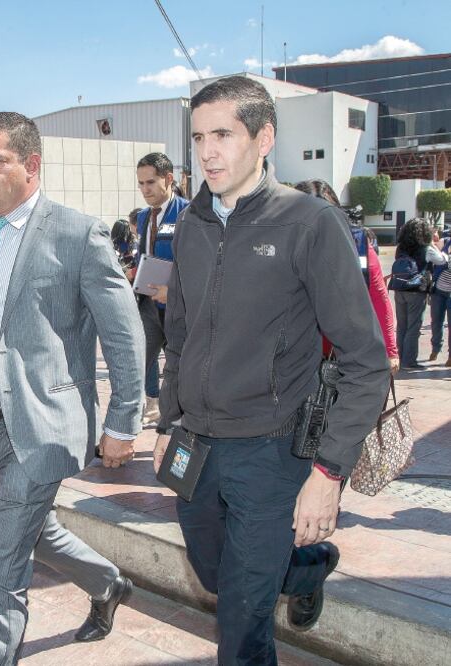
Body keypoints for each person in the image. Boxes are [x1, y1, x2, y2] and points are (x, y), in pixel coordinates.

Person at [153, 76, 389, 663]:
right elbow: (178, 337)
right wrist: (167, 422)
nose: (207, 152)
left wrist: (328, 473)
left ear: (264, 139)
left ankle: (273, 580)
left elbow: (365, 361)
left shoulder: (309, 223)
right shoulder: (190, 226)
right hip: (195, 445)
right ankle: (305, 566)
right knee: (215, 576)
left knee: (241, 621)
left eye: (223, 135)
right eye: (198, 137)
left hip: (272, 452)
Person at [0, 112, 145, 665]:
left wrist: (123, 420)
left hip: (44, 424)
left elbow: (124, 335)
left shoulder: (78, 234)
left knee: (0, 560)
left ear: (31, 165)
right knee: (35, 530)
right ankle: (108, 584)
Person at [293, 179, 399, 373]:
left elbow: (378, 298)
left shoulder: (358, 247)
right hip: (293, 355)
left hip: (344, 355)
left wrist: (390, 351)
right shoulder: (280, 248)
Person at [134, 153, 189, 426]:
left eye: (150, 183)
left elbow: (199, 264)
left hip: (178, 307)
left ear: (168, 179)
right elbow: (143, 254)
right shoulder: (144, 216)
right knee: (139, 357)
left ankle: (175, 419)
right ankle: (151, 403)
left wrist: (174, 290)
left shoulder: (188, 214)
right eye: (141, 184)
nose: (145, 190)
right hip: (148, 304)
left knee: (178, 365)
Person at [390, 217, 448, 369]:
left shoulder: (400, 247)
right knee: (413, 327)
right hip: (416, 290)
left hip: (399, 288)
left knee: (402, 326)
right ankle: (409, 361)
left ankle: (399, 358)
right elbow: (442, 260)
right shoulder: (426, 248)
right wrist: (433, 244)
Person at [428, 230, 451, 364]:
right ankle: (436, 349)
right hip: (439, 290)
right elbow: (432, 251)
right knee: (436, 321)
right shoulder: (445, 242)